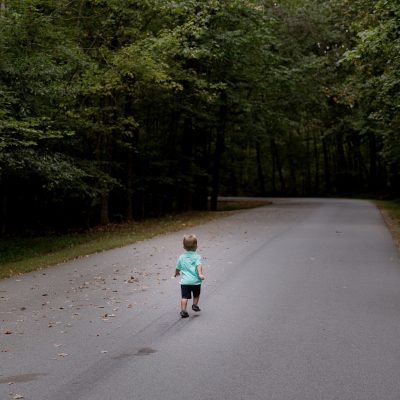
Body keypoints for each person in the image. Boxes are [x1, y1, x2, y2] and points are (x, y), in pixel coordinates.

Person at [174, 234, 205, 318]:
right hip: (195, 282)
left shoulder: (181, 257)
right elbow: (199, 265)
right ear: (196, 246)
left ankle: (183, 310)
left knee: (184, 297)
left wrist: (176, 273)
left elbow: (178, 267)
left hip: (185, 282)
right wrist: (200, 274)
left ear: (184, 246)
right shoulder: (197, 256)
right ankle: (194, 305)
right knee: (196, 295)